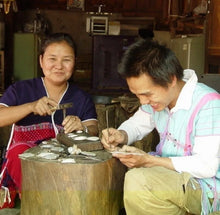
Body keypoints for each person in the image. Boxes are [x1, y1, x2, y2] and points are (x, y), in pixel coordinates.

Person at [101, 39, 220, 215]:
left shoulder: (208, 103)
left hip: (205, 187)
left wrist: (150, 161)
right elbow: (137, 124)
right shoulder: (159, 101)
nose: (143, 102)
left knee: (139, 181)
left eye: (147, 94)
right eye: (137, 95)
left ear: (171, 79)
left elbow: (206, 166)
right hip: (172, 178)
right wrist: (121, 134)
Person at [0, 32, 98, 208]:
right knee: (19, 152)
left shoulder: (81, 97)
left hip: (65, 162)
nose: (59, 66)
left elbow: (93, 128)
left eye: (66, 60)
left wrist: (82, 127)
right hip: (24, 165)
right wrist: (30, 106)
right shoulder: (21, 89)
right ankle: (40, 204)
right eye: (52, 59)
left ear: (74, 62)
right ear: (41, 61)